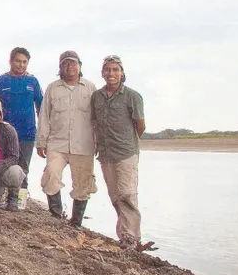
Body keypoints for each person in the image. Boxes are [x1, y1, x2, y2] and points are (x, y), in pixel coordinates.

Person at [91, 55, 153, 250]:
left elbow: (140, 126)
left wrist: (128, 143)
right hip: (106, 153)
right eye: (108, 70)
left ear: (122, 73)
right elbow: (94, 122)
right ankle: (128, 235)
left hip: (126, 153)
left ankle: (131, 239)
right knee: (116, 197)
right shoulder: (97, 97)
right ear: (102, 73)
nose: (111, 73)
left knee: (127, 195)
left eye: (115, 70)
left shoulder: (132, 96)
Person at [36, 50, 97, 226]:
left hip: (84, 144)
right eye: (65, 64)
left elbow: (98, 118)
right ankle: (56, 216)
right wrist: (41, 141)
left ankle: (76, 223)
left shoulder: (91, 88)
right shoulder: (52, 88)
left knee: (83, 184)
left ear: (80, 66)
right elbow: (44, 116)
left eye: (73, 63)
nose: (69, 67)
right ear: (60, 67)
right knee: (51, 175)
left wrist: (100, 142)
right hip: (57, 143)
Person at [0, 47, 43, 191]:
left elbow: (41, 107)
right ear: (10, 61)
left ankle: (20, 199)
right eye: (18, 61)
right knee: (0, 166)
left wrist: (43, 132)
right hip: (3, 134)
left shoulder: (33, 82)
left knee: (23, 169)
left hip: (27, 134)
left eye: (25, 62)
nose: (21, 65)